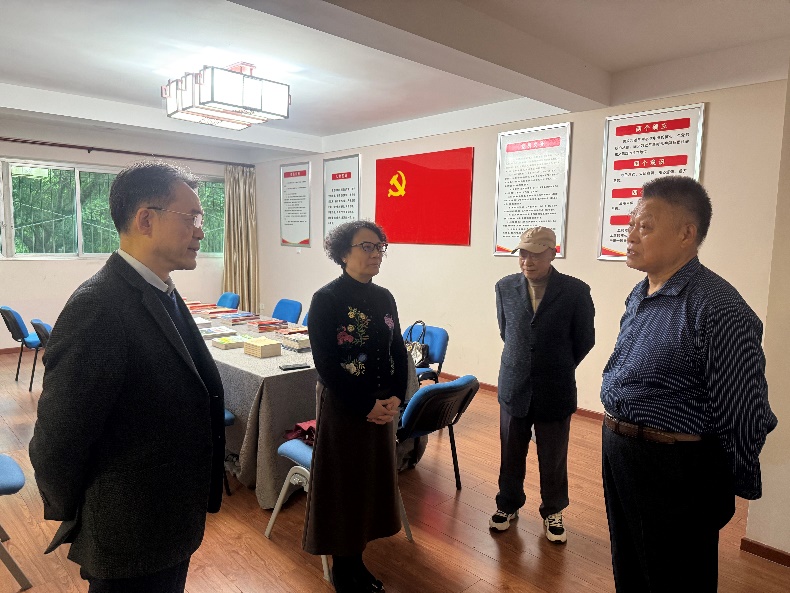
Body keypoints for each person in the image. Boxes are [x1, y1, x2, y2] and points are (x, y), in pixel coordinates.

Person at [29, 161, 226, 593]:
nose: (201, 231)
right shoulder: (99, 306)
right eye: (192, 217)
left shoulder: (162, 289)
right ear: (146, 220)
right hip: (129, 530)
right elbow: (57, 441)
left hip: (169, 520)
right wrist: (83, 510)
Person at [600, 176, 777, 592]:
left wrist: (721, 487)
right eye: (631, 223)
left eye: (645, 226)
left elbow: (747, 413)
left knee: (677, 579)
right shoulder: (640, 293)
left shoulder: (718, 308)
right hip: (621, 452)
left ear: (686, 234)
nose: (630, 235)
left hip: (675, 469)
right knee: (630, 568)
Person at [303, 220, 409, 593]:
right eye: (367, 246)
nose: (376, 253)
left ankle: (357, 561)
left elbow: (398, 350)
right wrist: (366, 405)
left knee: (368, 488)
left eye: (380, 246)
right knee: (344, 490)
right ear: (343, 253)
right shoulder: (326, 299)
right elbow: (327, 365)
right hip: (346, 409)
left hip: (381, 408)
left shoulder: (385, 297)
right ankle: (343, 570)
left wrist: (397, 396)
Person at [490, 226, 595, 543]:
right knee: (511, 452)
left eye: (536, 254)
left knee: (553, 457)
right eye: (523, 253)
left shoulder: (576, 291)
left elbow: (584, 340)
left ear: (552, 252)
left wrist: (557, 365)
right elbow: (507, 332)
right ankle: (507, 504)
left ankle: (553, 510)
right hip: (514, 384)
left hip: (555, 387)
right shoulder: (504, 287)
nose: (527, 261)